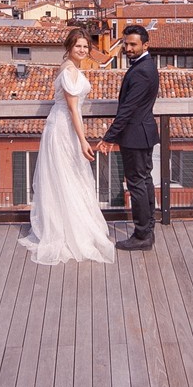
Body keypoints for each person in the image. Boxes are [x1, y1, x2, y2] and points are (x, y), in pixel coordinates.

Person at [19, 28, 115, 265]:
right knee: (68, 177)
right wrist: (83, 141)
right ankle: (69, 232)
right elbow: (72, 108)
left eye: (85, 46)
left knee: (68, 177)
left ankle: (68, 226)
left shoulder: (70, 68)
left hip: (64, 125)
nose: (82, 50)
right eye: (78, 46)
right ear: (69, 47)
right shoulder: (69, 71)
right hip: (64, 128)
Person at [97, 24, 160, 251]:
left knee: (137, 184)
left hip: (135, 135)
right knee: (144, 181)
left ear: (146, 45)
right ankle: (148, 228)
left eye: (133, 44)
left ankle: (142, 235)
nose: (128, 48)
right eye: (126, 44)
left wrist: (108, 138)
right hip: (143, 133)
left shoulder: (142, 70)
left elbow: (127, 109)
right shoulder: (147, 66)